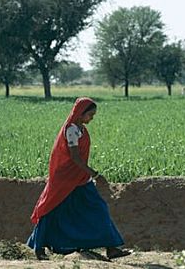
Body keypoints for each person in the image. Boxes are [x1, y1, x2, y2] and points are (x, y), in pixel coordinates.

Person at [27, 97, 131, 260]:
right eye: (90, 114)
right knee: (49, 209)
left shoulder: (81, 129)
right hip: (65, 178)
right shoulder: (72, 130)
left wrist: (88, 174)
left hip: (80, 178)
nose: (92, 118)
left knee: (98, 208)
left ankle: (111, 248)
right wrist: (95, 174)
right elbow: (75, 157)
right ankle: (38, 247)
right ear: (81, 113)